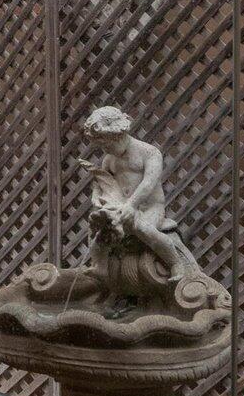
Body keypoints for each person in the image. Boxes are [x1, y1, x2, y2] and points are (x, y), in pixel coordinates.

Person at [79, 105, 197, 281]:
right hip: (120, 206)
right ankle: (100, 266)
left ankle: (175, 263)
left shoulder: (148, 152)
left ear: (117, 135)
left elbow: (148, 183)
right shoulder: (109, 160)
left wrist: (132, 205)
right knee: (96, 226)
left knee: (143, 228)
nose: (104, 150)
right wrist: (97, 198)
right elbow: (101, 183)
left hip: (150, 207)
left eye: (106, 145)